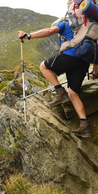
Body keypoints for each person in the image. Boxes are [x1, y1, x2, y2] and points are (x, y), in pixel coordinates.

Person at [17, 8, 92, 138]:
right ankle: (84, 125)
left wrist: (28, 35)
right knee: (73, 93)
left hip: (70, 57)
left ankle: (59, 91)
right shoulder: (86, 29)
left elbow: (50, 31)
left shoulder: (64, 24)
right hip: (84, 62)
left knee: (44, 66)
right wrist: (95, 73)